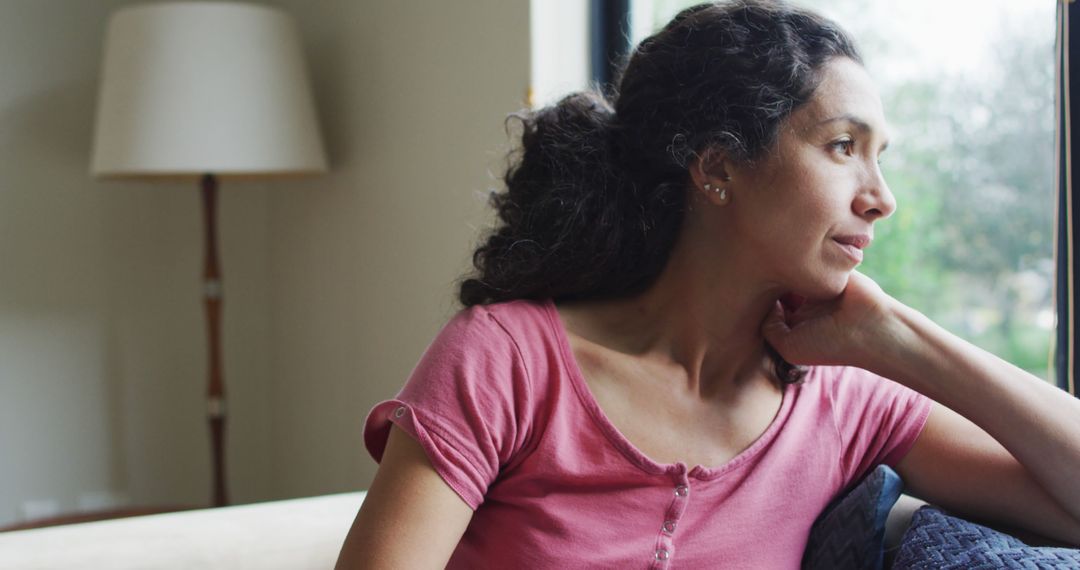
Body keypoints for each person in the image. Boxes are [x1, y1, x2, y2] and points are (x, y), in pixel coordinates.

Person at [336, 1, 1080, 567]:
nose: (880, 197)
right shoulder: (509, 359)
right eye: (843, 147)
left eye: (882, 157)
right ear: (717, 167)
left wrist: (905, 339)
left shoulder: (845, 398)